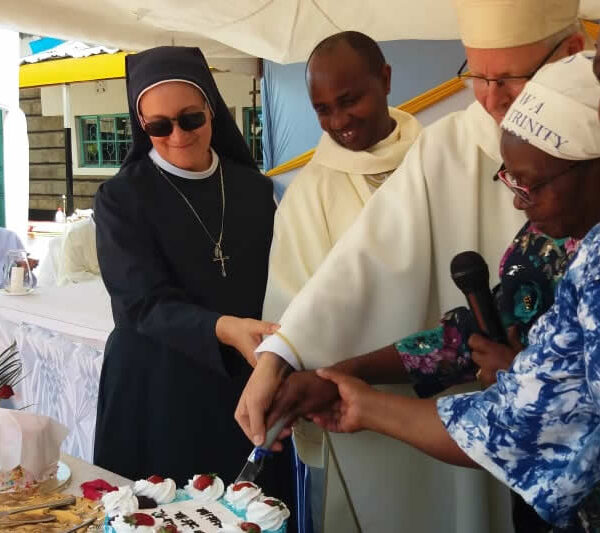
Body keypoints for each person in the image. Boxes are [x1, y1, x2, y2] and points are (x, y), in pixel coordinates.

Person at [236, 1, 587, 531]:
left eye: (511, 77)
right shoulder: (527, 228)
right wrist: (314, 366)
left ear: (572, 54)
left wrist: (368, 403)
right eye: (477, 76)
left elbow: (534, 421)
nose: (493, 100)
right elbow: (453, 328)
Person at [311, 51, 600, 532]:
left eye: (530, 184)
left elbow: (523, 422)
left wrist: (363, 405)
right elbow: (474, 334)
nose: (516, 201)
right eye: (510, 179)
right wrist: (344, 372)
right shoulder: (548, 237)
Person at [93, 46, 294, 514]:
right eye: (159, 127)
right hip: (154, 385)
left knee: (247, 515)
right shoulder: (120, 198)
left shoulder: (254, 189)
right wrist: (226, 327)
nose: (178, 136)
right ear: (143, 128)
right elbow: (139, 303)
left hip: (239, 382)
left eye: (190, 119)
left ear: (211, 111)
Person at [262, 31, 422, 532]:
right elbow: (294, 309)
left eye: (350, 100)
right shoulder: (308, 193)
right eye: (323, 110)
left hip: (447, 395)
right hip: (353, 406)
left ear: (387, 79)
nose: (339, 122)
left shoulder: (438, 159)